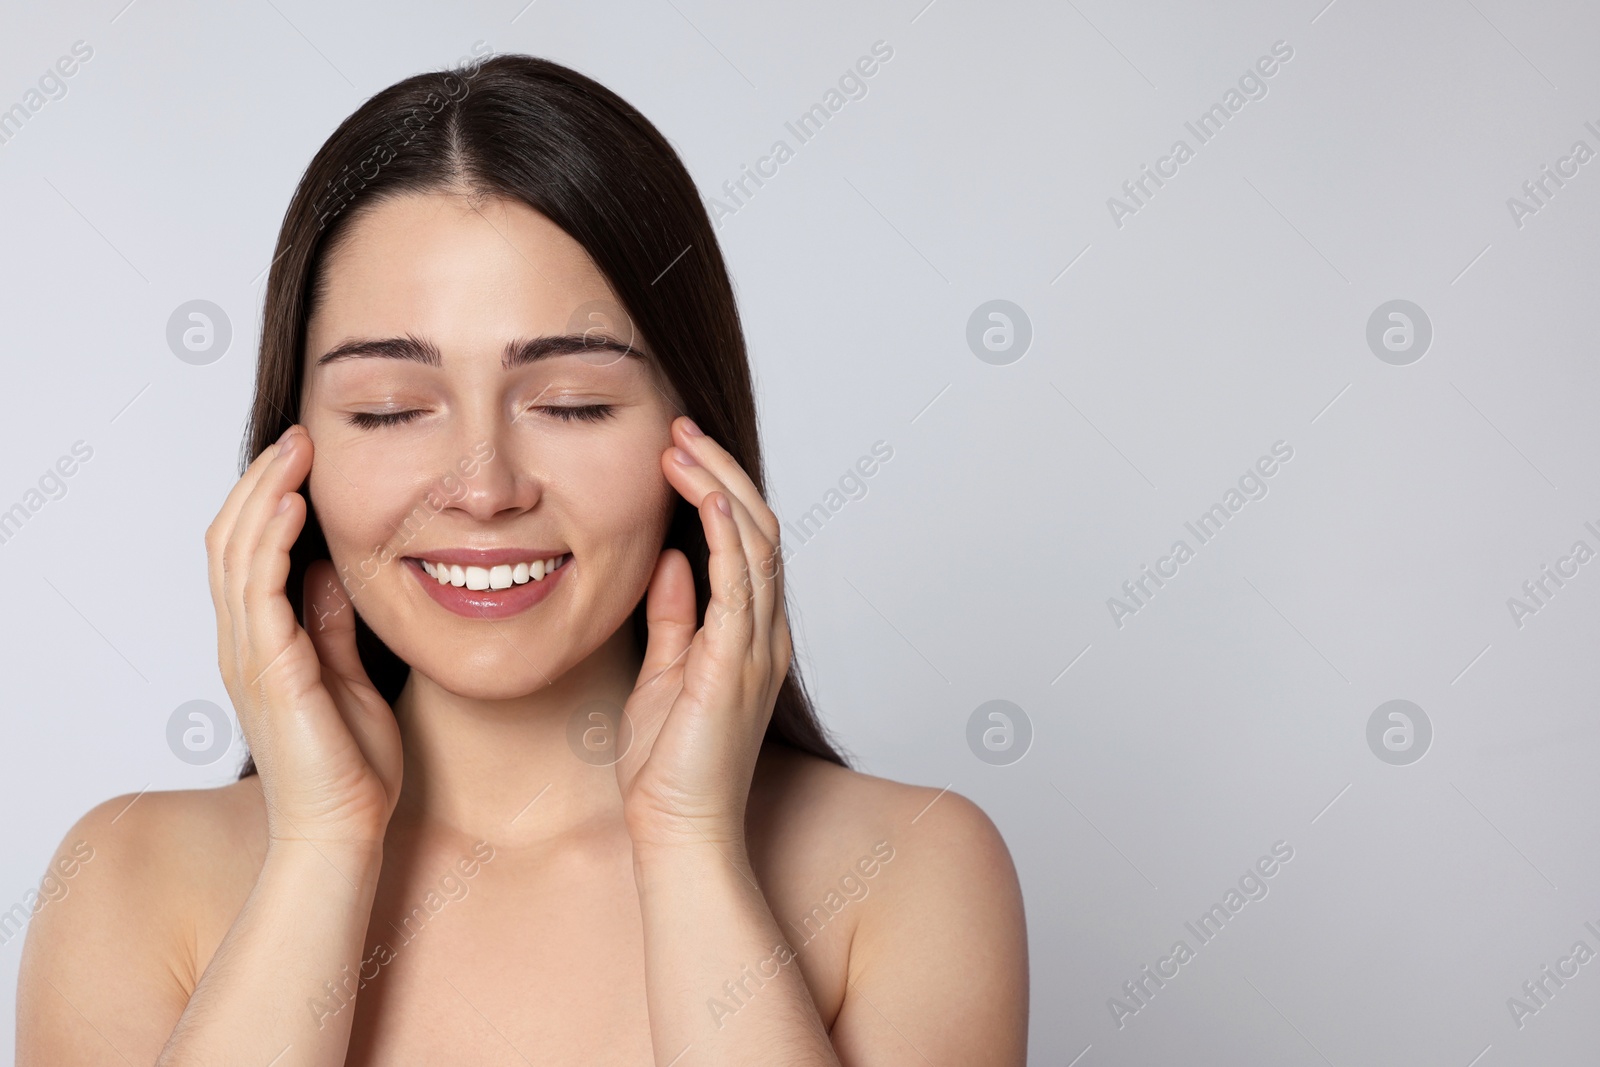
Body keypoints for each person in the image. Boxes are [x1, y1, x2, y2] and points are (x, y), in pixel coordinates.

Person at [16, 53, 1027, 1065]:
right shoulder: (129, 877)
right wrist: (321, 845)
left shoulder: (911, 871)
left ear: (696, 436)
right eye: (390, 409)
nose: (484, 485)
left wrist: (689, 843)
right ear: (293, 460)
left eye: (574, 403)